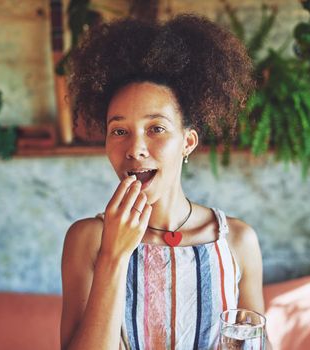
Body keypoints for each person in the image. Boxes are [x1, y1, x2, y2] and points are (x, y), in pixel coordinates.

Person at [60, 14, 267, 350]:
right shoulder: (87, 240)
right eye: (119, 131)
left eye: (156, 128)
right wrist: (114, 255)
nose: (135, 148)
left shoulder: (238, 241)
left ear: (187, 142)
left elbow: (260, 343)